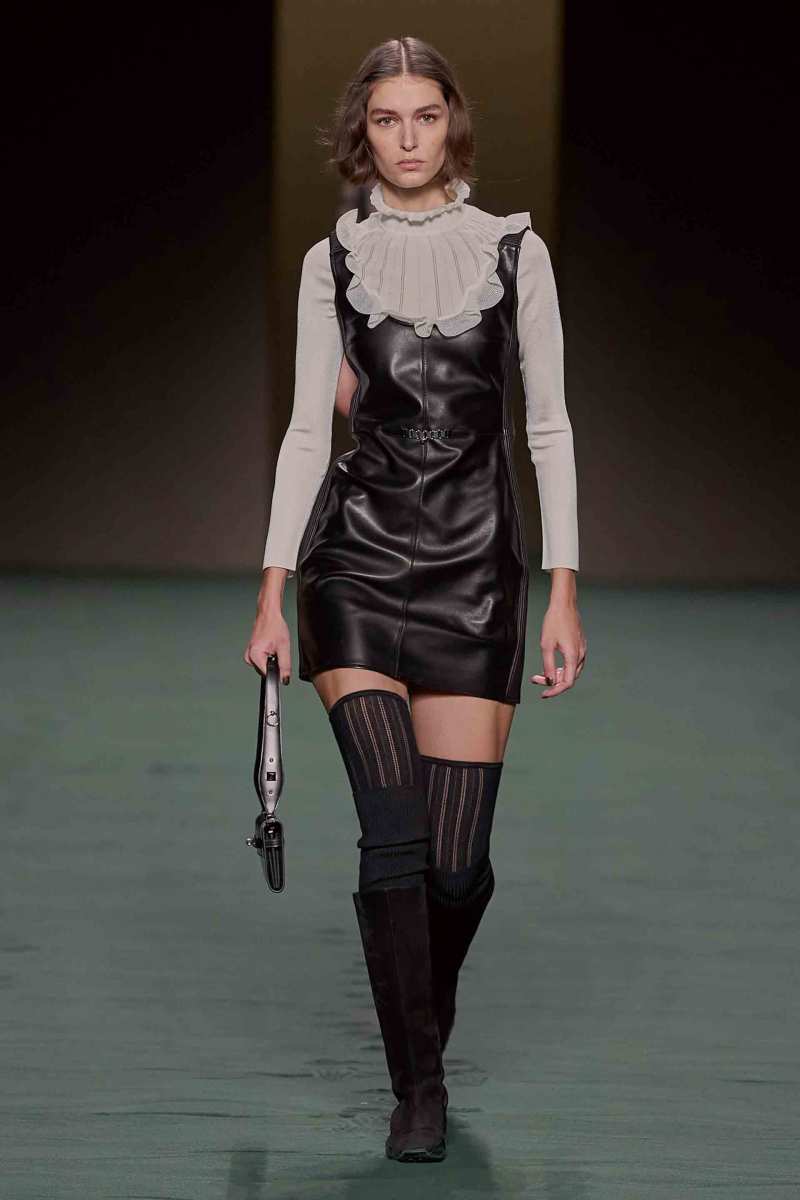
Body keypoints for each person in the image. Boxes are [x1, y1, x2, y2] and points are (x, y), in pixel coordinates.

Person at [244, 36, 587, 1164]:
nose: (406, 138)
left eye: (425, 116)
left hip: (476, 574)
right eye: (386, 119)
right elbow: (308, 431)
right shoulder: (331, 262)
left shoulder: (515, 253)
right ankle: (418, 1088)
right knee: (391, 834)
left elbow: (547, 426)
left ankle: (415, 1008)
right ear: (363, 130)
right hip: (356, 562)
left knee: (453, 865)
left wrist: (563, 591)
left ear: (452, 123)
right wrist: (273, 589)